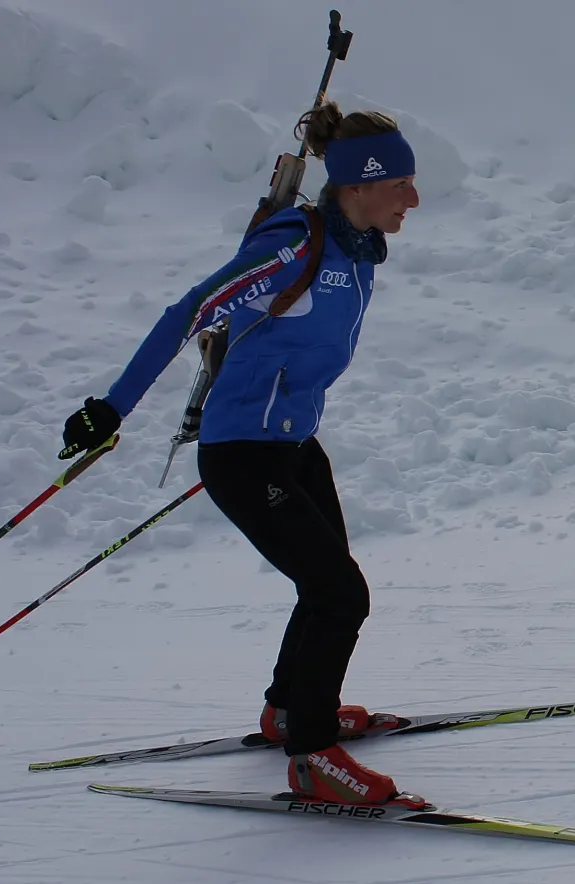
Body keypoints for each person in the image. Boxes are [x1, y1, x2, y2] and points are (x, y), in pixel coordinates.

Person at [61, 101, 422, 807]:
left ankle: (289, 709)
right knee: (340, 593)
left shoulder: (353, 250)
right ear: (357, 185)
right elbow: (189, 312)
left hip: (290, 445)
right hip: (242, 455)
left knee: (325, 585)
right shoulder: (295, 245)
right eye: (399, 183)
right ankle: (313, 754)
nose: (412, 197)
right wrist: (111, 410)